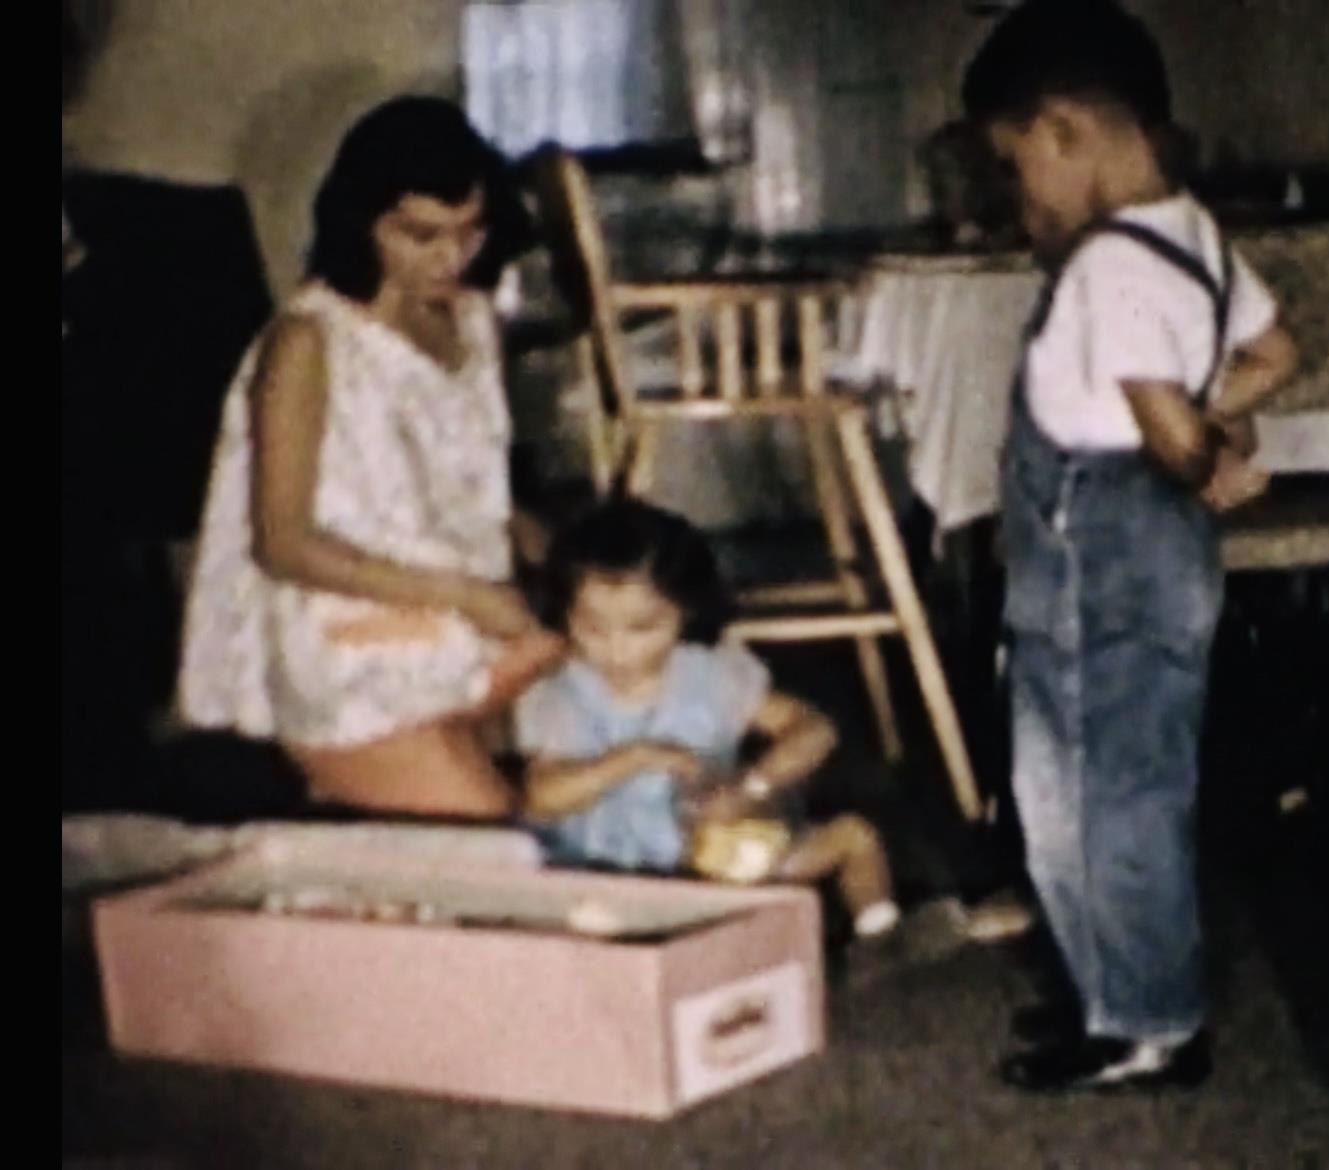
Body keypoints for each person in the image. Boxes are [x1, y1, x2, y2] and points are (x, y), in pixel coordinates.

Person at [961, 1, 1298, 1090]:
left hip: (1095, 566)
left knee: (1085, 797)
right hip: (1155, 564)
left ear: (1063, 131)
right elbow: (1277, 351)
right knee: (1130, 780)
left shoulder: (1106, 265)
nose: (1023, 199)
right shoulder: (1192, 233)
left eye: (1017, 168)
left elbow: (1156, 429)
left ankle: (1147, 1022)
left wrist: (1204, 457)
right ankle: (1124, 999)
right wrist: (1214, 418)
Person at [178, 96, 563, 819]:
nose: (451, 257)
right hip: (353, 650)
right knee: (493, 838)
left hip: (464, 631)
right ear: (363, 222)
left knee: (623, 697)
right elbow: (283, 543)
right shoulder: (311, 342)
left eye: (469, 231)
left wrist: (540, 540)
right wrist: (464, 594)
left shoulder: (469, 318)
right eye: (420, 235)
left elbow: (450, 477)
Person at [513, 498, 902, 943]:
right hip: (600, 871)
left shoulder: (708, 675)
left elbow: (814, 730)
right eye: (594, 628)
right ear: (566, 615)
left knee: (855, 836)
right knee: (578, 917)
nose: (617, 649)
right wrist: (635, 757)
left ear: (685, 612)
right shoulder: (567, 691)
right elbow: (543, 795)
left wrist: (752, 785)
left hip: (713, 863)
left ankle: (882, 944)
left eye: (643, 629)